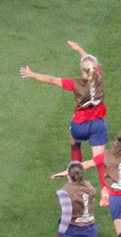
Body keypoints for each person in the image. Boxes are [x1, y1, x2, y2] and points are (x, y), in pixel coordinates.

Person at [21, 41, 110, 204]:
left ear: (82, 69)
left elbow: (51, 79)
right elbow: (90, 63)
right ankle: (105, 188)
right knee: (99, 159)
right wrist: (80, 50)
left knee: (74, 141)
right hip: (98, 125)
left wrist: (32, 74)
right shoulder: (98, 76)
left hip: (80, 125)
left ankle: (75, 181)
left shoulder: (75, 83)